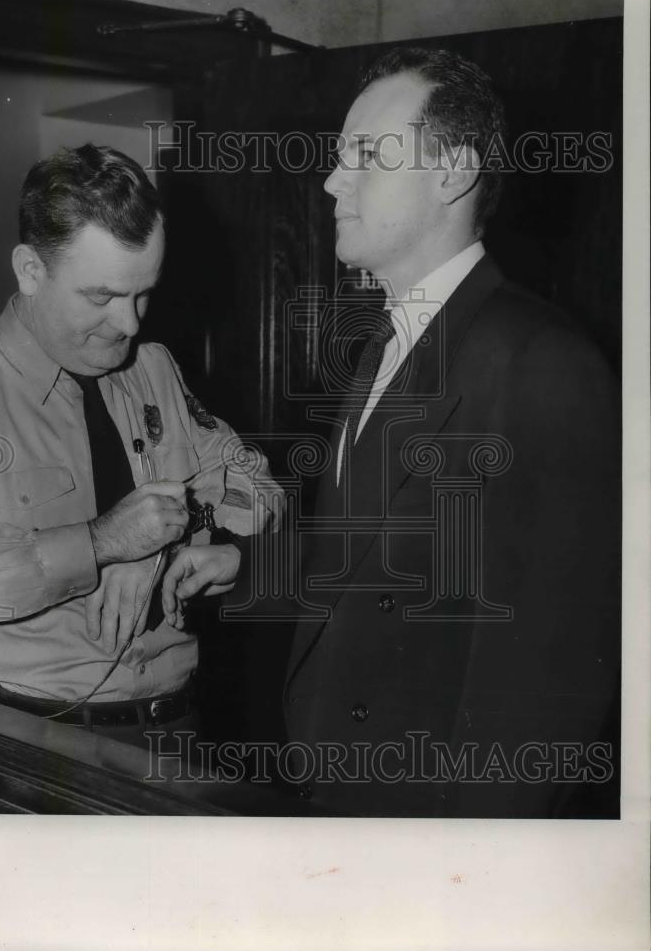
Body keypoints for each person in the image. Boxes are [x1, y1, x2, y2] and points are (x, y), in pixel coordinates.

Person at [162, 47, 621, 816]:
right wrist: (243, 564)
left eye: (366, 157)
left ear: (452, 173)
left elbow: (545, 682)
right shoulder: (383, 341)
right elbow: (371, 555)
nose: (332, 182)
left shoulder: (542, 363)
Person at [0, 143, 281, 746]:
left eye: (143, 292)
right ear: (30, 270)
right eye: (101, 297)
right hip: (14, 742)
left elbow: (260, 489)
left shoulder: (154, 370)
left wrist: (173, 534)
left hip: (171, 736)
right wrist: (101, 544)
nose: (130, 324)